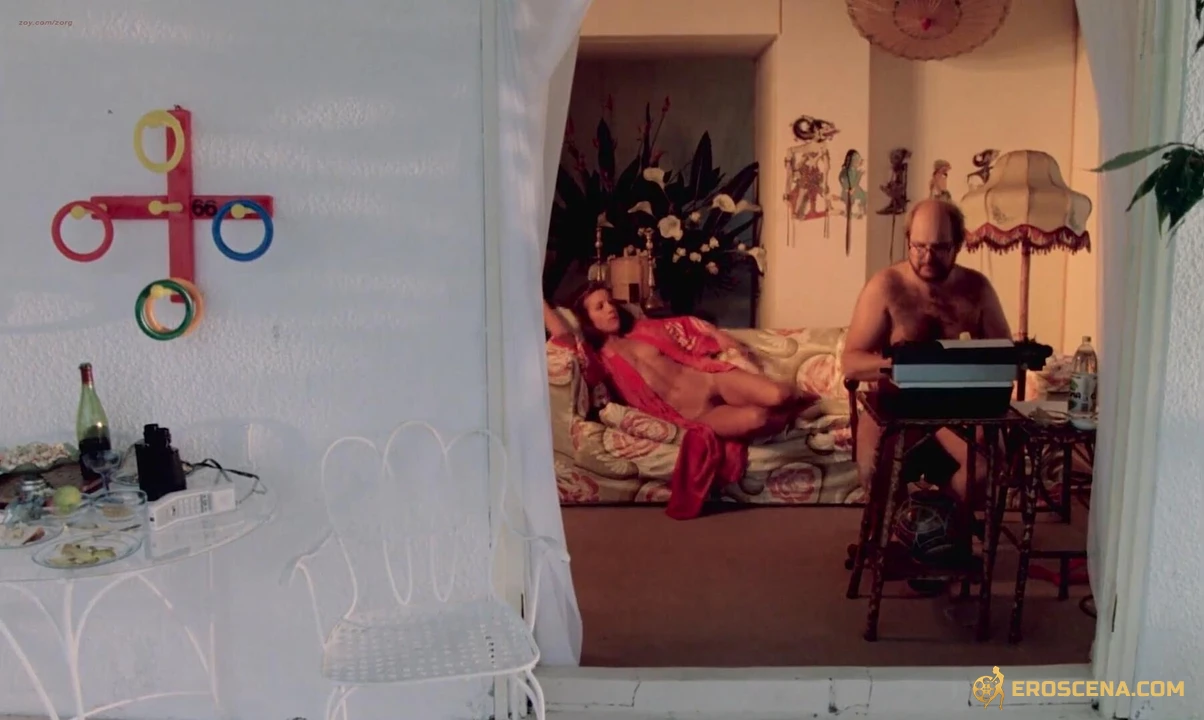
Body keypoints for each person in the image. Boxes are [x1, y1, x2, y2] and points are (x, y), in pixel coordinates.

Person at [544, 283, 816, 519]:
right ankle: (803, 415)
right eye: (599, 307)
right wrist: (535, 297)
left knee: (779, 395)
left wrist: (717, 335)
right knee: (757, 418)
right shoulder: (597, 360)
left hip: (711, 380)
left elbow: (687, 324)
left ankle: (816, 401)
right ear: (585, 318)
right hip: (698, 415)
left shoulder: (642, 329)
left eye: (610, 302)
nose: (610, 309)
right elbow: (562, 334)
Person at [841, 198, 1011, 512]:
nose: (927, 257)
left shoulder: (977, 288)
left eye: (939, 248)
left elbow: (1003, 356)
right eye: (919, 247)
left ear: (958, 244)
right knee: (875, 471)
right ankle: (906, 526)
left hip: (959, 407)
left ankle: (935, 515)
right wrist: (905, 366)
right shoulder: (885, 286)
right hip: (895, 405)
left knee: (986, 466)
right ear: (908, 240)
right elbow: (850, 363)